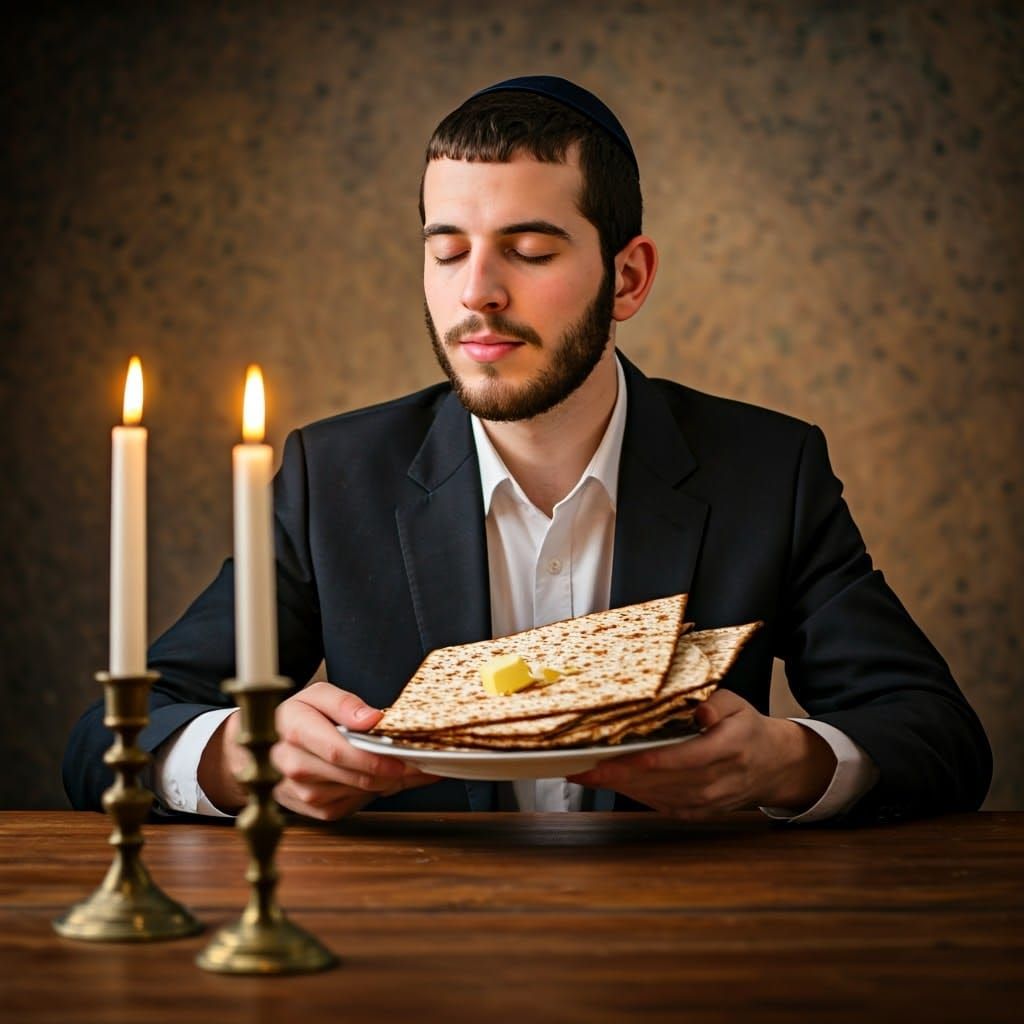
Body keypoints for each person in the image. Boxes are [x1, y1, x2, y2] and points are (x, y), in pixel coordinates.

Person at [63, 76, 991, 824]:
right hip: (402, 960)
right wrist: (239, 758)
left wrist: (783, 762)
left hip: (687, 951)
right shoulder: (329, 477)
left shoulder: (769, 471)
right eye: (447, 248)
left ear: (626, 277)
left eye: (531, 250)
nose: (478, 294)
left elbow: (939, 737)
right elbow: (107, 742)